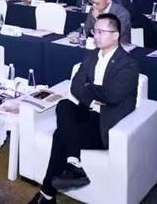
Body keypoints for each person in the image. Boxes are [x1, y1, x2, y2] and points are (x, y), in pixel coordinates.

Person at [27, 14, 138, 202]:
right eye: (95, 31)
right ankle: (73, 165)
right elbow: (75, 86)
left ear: (115, 35)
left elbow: (113, 96)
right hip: (88, 112)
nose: (96, 36)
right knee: (63, 105)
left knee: (60, 135)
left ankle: (47, 195)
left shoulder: (128, 64)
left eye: (101, 32)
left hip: (106, 123)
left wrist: (90, 88)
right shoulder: (91, 56)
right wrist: (94, 97)